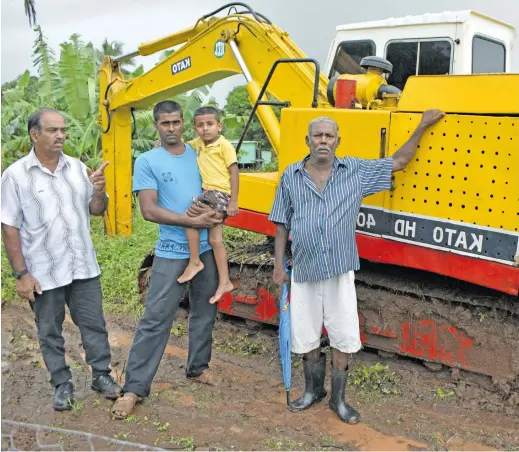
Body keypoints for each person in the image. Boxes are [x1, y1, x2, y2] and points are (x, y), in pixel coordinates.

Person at [269, 110, 445, 423]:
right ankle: (312, 391)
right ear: (307, 140)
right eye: (318, 135)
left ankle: (338, 400)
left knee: (343, 336)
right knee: (305, 335)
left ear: (338, 141)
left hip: (339, 271)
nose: (323, 141)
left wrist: (421, 126)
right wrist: (278, 265)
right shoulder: (290, 176)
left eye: (329, 136)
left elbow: (399, 161)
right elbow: (281, 224)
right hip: (304, 270)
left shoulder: (355, 171)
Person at [1, 107, 122, 411]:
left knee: (94, 324)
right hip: (43, 271)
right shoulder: (16, 176)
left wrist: (99, 191)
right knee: (49, 330)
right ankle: (61, 383)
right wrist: (22, 274)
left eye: (63, 130)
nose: (61, 136)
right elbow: (9, 226)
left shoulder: (78, 168)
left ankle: (101, 375)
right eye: (53, 130)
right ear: (34, 134)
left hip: (83, 266)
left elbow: (96, 209)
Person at [111, 100, 222, 420]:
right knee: (155, 318)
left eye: (176, 122)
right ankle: (134, 387)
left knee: (205, 311)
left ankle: (197, 368)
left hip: (206, 249)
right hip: (172, 253)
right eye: (164, 124)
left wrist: (212, 216)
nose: (171, 128)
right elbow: (148, 209)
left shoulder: (199, 154)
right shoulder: (147, 160)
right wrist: (189, 222)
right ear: (156, 126)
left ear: (183, 122)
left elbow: (220, 184)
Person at [176, 106, 239, 305]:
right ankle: (225, 281)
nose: (205, 129)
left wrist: (234, 201)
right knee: (215, 240)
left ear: (219, 126)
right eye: (200, 125)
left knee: (189, 219)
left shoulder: (224, 146)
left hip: (218, 193)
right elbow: (180, 146)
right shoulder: (198, 144)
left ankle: (195, 261)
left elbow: (234, 172)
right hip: (210, 194)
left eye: (210, 124)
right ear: (195, 129)